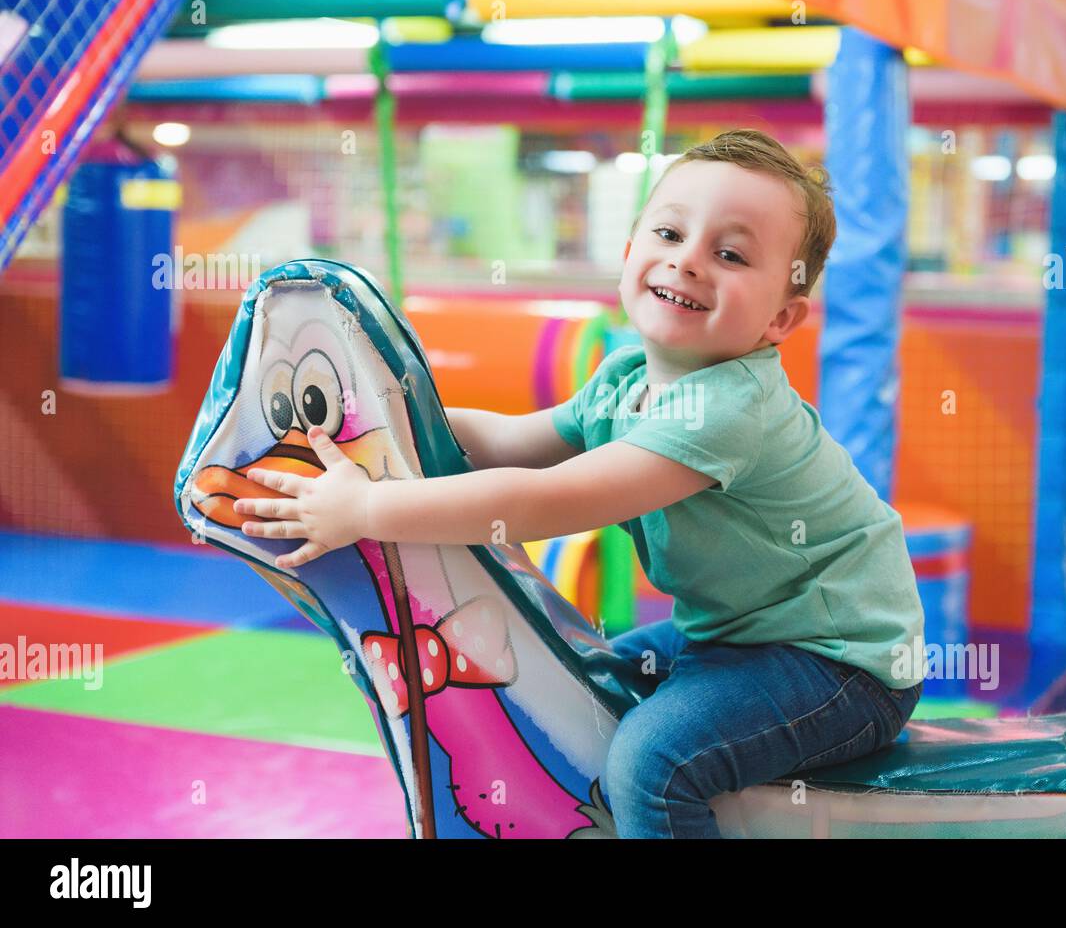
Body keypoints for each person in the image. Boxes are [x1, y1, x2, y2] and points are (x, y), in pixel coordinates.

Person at [234, 128, 925, 838]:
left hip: (839, 664)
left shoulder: (728, 411)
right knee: (580, 683)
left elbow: (544, 501)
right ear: (629, 254)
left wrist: (368, 507)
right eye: (670, 233)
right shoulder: (626, 378)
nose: (688, 260)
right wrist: (384, 418)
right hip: (733, 634)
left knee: (653, 762)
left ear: (780, 318)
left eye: (730, 254)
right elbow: (508, 442)